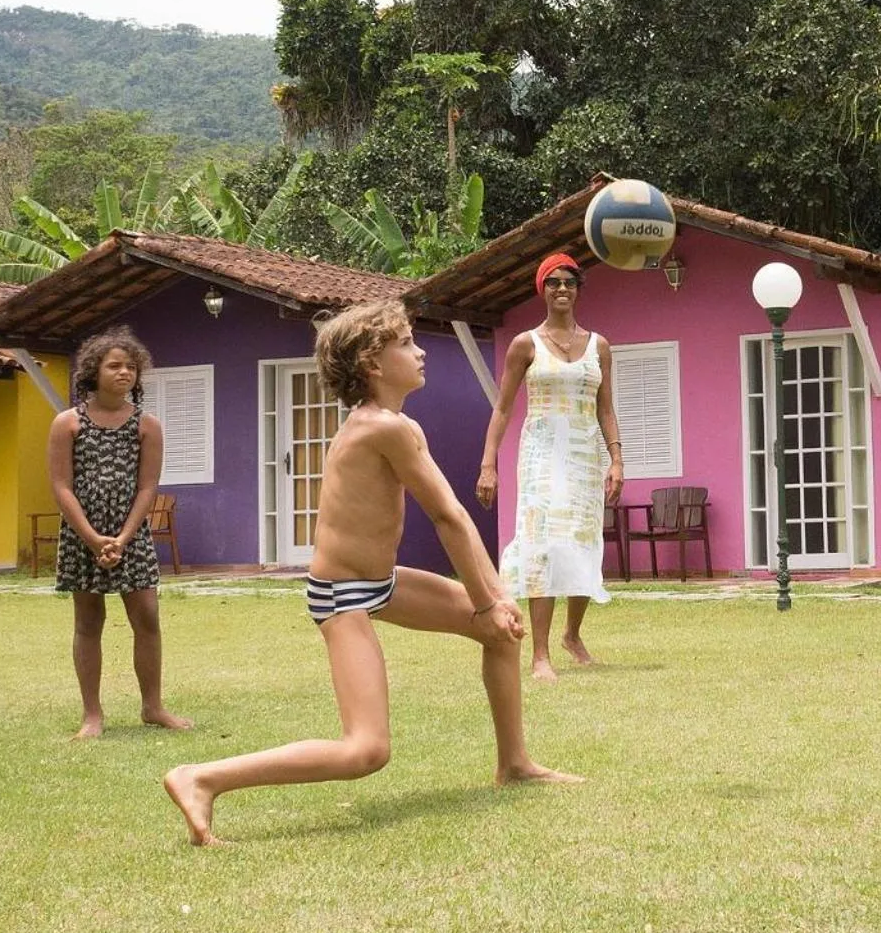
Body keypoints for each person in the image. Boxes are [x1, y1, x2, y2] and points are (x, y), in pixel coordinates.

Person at [164, 301, 579, 846]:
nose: (421, 349)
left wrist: (496, 602)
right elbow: (449, 518)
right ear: (373, 364)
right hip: (342, 597)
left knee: (497, 633)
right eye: (406, 343)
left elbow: (454, 517)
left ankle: (516, 762)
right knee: (366, 750)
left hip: (379, 582)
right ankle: (201, 778)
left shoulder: (399, 423)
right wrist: (484, 603)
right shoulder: (381, 428)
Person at [477, 253, 623, 680]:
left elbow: (606, 409)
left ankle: (571, 635)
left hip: (583, 454)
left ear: (578, 290)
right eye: (553, 282)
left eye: (570, 282)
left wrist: (617, 458)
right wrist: (489, 465)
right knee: (542, 544)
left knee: (581, 540)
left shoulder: (600, 346)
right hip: (541, 454)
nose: (562, 289)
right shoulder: (526, 344)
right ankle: (540, 654)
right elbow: (502, 409)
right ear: (542, 289)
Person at [47, 327, 192, 739]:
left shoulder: (147, 426)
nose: (124, 372)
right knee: (88, 620)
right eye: (114, 366)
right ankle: (92, 715)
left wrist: (124, 537)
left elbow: (148, 486)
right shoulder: (67, 423)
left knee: (146, 617)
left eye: (130, 366)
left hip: (132, 534)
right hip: (81, 535)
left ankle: (153, 707)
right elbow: (61, 485)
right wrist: (93, 538)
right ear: (93, 371)